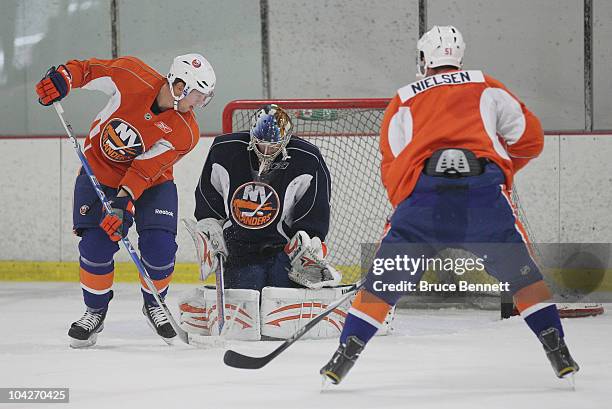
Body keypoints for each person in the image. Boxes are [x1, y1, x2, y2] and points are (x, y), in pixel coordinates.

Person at [320, 26, 579, 384]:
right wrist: (498, 172)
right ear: (459, 57)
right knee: (522, 274)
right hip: (483, 195)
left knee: (384, 280)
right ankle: (557, 350)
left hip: (423, 200)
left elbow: (392, 161)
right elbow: (529, 138)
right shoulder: (486, 84)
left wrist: (408, 201)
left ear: (424, 59)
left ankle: (343, 357)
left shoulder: (404, 97)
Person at [35, 53, 216, 348]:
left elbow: (144, 169)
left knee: (160, 248)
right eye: (197, 95)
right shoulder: (132, 75)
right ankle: (94, 312)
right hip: (100, 174)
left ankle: (154, 304)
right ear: (180, 85)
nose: (199, 104)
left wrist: (122, 204)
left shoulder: (186, 131)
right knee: (96, 245)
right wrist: (64, 79)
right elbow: (90, 71)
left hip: (153, 184)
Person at [180, 104, 343, 340]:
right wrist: (210, 226)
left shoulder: (307, 158)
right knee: (248, 293)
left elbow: (315, 209)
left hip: (281, 250)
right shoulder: (224, 150)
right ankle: (208, 306)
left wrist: (308, 241)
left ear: (286, 139)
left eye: (273, 145)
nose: (266, 150)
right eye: (261, 143)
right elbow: (208, 196)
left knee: (279, 299)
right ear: (252, 136)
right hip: (239, 247)